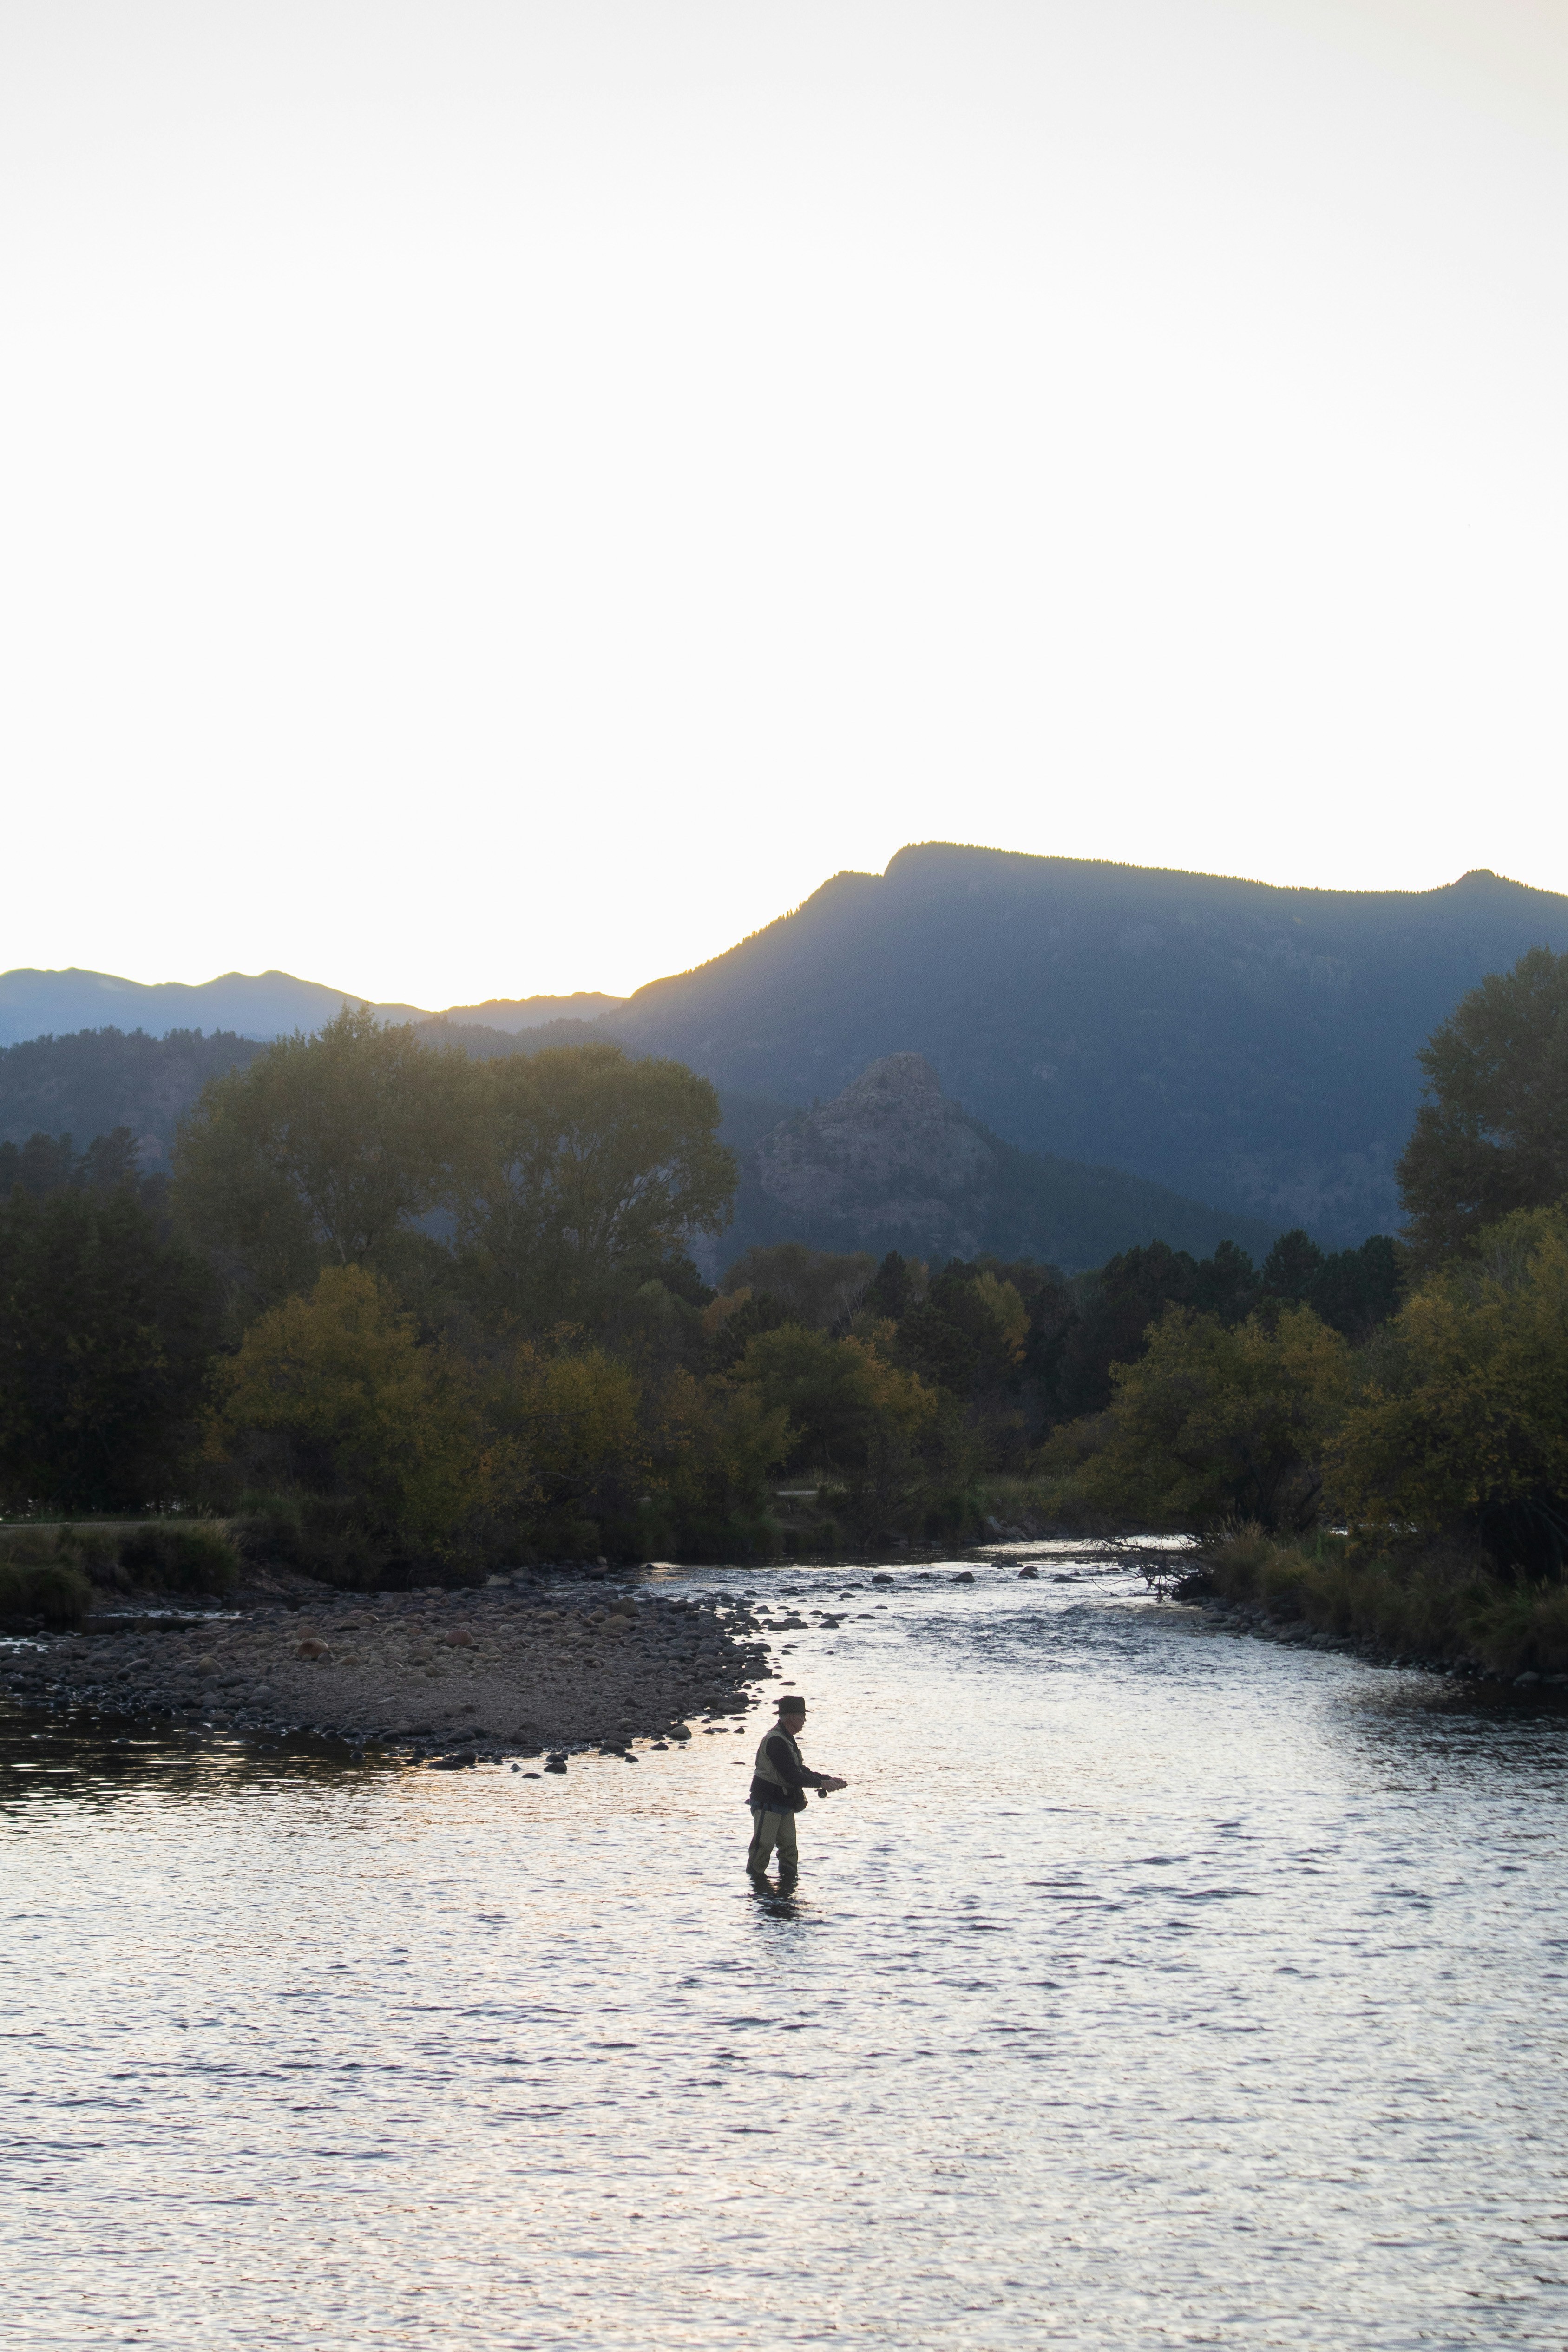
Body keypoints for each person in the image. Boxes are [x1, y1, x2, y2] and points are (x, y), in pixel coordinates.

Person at [747, 1693, 846, 1888]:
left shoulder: (787, 1738)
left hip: (784, 1803)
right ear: (791, 1717)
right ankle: (757, 1890)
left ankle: (788, 1890)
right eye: (802, 1716)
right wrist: (821, 1784)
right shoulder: (776, 1740)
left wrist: (827, 1779)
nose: (805, 1720)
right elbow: (792, 1776)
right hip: (768, 1802)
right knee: (762, 1849)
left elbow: (800, 1770)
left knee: (789, 1850)